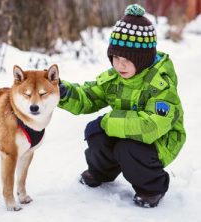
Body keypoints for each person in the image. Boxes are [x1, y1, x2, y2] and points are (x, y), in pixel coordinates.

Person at [58, 4, 186, 208]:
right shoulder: (115, 78)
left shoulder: (160, 86)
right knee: (97, 135)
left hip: (161, 140)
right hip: (127, 129)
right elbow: (89, 96)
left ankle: (152, 187)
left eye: (127, 59)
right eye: (116, 57)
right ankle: (101, 172)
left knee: (128, 148)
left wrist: (108, 121)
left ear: (143, 59)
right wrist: (63, 92)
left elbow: (152, 127)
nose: (120, 65)